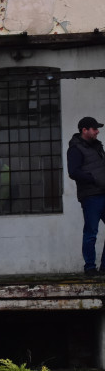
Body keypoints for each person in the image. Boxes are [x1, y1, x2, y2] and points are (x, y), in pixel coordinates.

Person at [67, 116, 105, 275]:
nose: (97, 132)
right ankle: (90, 267)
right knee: (91, 232)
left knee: (91, 232)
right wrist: (94, 179)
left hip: (103, 192)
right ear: (84, 130)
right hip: (91, 196)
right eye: (94, 129)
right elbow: (73, 172)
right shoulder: (75, 149)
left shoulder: (97, 146)